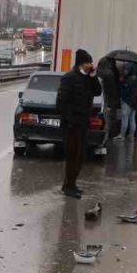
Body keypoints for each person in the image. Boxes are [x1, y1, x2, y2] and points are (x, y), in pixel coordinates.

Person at [57, 49, 100, 198]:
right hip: (71, 125)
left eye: (91, 62)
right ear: (81, 64)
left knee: (81, 156)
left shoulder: (88, 78)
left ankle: (71, 183)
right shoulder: (69, 78)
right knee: (72, 156)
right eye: (88, 62)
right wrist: (69, 120)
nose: (90, 65)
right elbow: (61, 102)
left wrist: (94, 77)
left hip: (83, 123)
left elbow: (98, 92)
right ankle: (69, 186)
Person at [117, 62, 137, 141]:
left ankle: (122, 135)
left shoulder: (129, 79)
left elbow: (125, 91)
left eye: (127, 69)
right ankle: (131, 136)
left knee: (125, 118)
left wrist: (121, 83)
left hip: (127, 101)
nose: (125, 71)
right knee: (132, 118)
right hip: (135, 101)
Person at [97, 57, 121, 139]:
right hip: (108, 99)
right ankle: (106, 137)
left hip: (97, 99)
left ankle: (101, 136)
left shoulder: (96, 71)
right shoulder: (109, 73)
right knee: (108, 118)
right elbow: (112, 88)